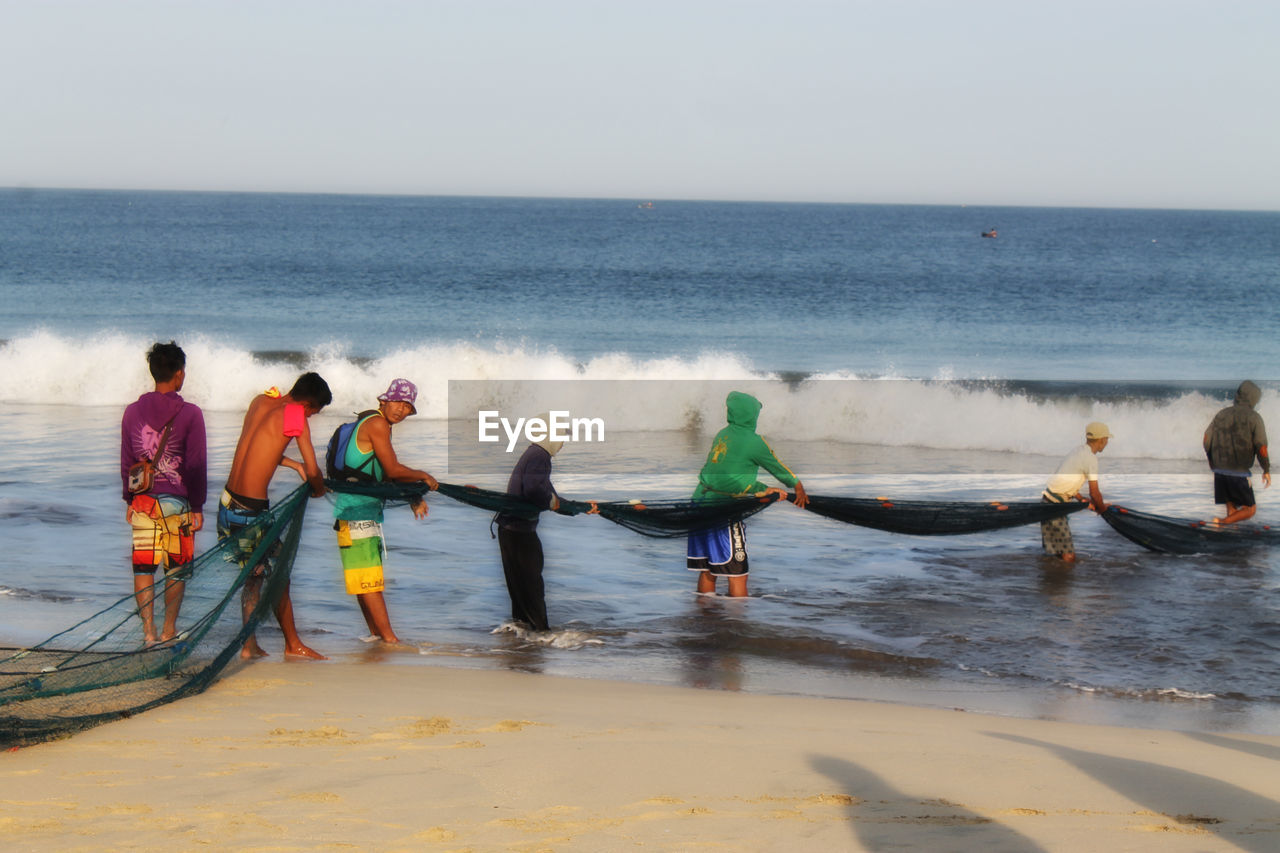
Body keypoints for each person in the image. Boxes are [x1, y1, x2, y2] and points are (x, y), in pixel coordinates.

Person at [217, 372, 332, 659]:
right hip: (251, 511)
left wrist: (293, 465)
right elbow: (315, 470)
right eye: (314, 413)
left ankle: (249, 644)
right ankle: (292, 645)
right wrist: (317, 488)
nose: (310, 419)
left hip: (228, 502)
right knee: (279, 575)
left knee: (253, 578)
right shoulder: (295, 415)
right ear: (307, 404)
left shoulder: (261, 403)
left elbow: (256, 445)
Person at [332, 379, 439, 644]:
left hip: (352, 510)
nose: (402, 410)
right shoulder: (378, 424)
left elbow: (381, 474)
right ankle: (390, 639)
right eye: (398, 402)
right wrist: (423, 475)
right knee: (370, 581)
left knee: (362, 580)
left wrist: (413, 496)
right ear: (384, 401)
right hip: (357, 512)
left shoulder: (373, 424)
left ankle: (377, 634)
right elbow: (392, 470)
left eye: (407, 406)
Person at [120, 341, 207, 645]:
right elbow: (195, 464)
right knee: (176, 570)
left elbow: (127, 461)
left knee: (143, 567)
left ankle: (148, 632)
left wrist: (129, 499)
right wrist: (197, 506)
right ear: (179, 374)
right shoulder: (191, 414)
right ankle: (169, 628)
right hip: (177, 504)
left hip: (143, 501)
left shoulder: (132, 412)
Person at [687, 391, 808, 597]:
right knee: (738, 574)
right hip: (722, 512)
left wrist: (762, 489)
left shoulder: (722, 434)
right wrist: (797, 486)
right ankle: (737, 624)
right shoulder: (753, 441)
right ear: (751, 416)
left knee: (709, 570)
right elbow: (776, 467)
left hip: (699, 504)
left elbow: (724, 476)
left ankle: (704, 618)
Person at [493, 421, 593, 631]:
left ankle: (521, 638)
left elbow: (550, 495)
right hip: (519, 532)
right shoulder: (540, 456)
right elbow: (534, 491)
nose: (562, 442)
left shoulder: (533, 453)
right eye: (561, 436)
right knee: (532, 587)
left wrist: (582, 507)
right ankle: (541, 636)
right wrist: (551, 501)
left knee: (520, 589)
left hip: (510, 530)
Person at [1041, 422, 1111, 562]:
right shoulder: (1091, 459)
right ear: (1102, 440)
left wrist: (1080, 498)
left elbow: (1065, 480)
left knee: (1056, 552)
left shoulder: (1077, 451)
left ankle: (1053, 580)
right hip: (1056, 506)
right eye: (1107, 439)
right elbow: (1095, 493)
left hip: (1046, 502)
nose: (1107, 442)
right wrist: (1103, 510)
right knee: (1069, 556)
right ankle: (1062, 581)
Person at [1203, 380, 1271, 525]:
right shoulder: (1254, 417)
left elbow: (1206, 438)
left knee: (1232, 509)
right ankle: (1220, 523)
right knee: (1250, 510)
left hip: (1219, 471)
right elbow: (1261, 447)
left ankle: (1229, 534)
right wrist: (1266, 469)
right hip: (1238, 473)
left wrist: (1211, 460)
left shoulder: (1222, 414)